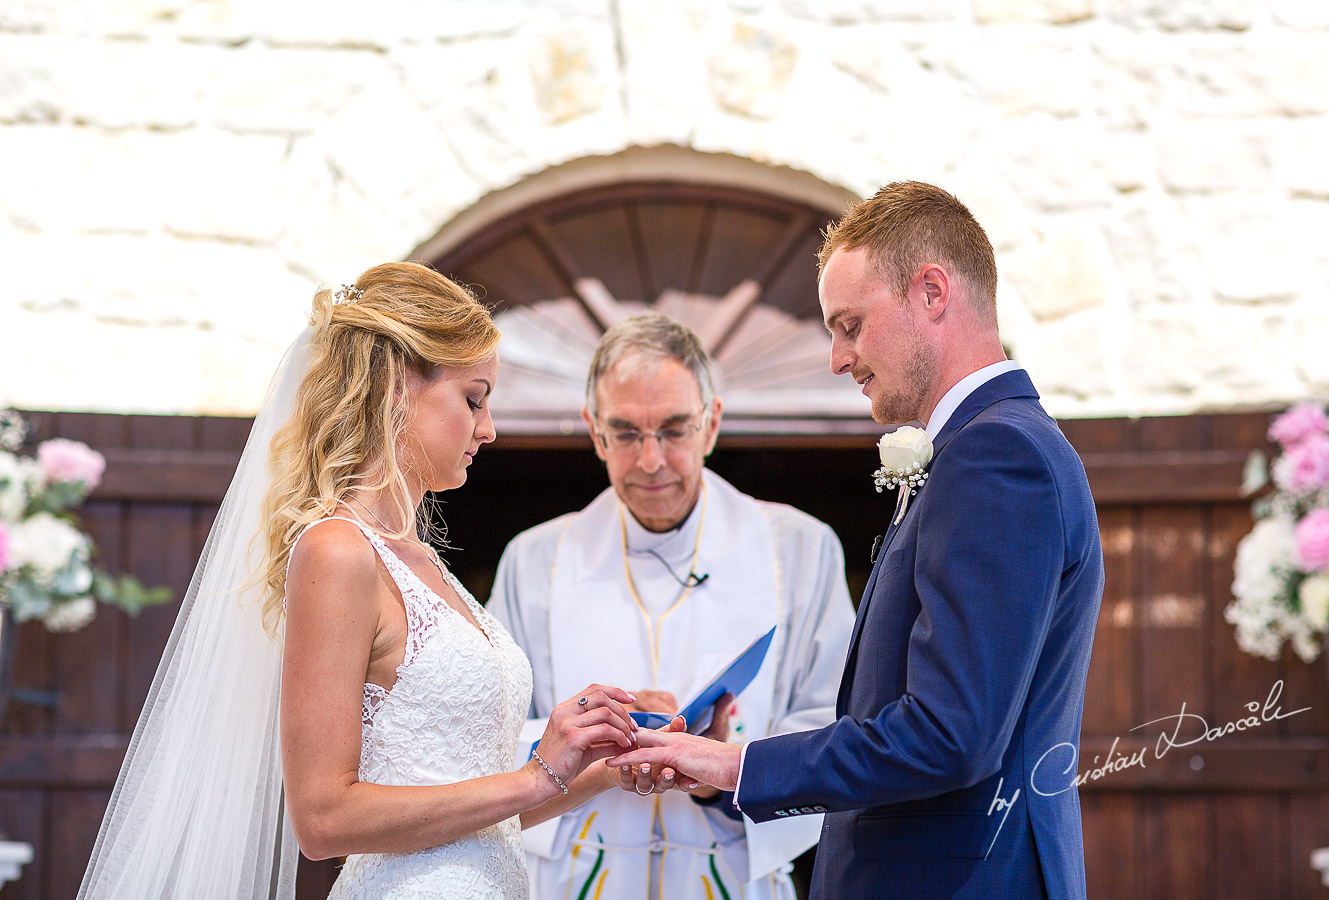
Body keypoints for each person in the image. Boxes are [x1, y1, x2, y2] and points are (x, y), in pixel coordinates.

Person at [79, 262, 644, 899]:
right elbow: (322, 818)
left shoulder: (423, 563)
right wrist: (538, 775)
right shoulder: (335, 552)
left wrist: (597, 766)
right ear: (399, 386)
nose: (487, 429)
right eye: (474, 398)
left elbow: (481, 821)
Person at [608, 183, 1106, 900]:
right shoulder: (992, 446)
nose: (838, 358)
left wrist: (737, 767)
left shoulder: (997, 457)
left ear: (932, 293)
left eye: (850, 325)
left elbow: (949, 735)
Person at [491, 313, 856, 899]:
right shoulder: (534, 560)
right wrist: (590, 740)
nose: (652, 460)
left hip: (729, 872)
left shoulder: (799, 549)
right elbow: (489, 737)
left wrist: (720, 772)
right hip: (577, 876)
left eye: (674, 430)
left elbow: (832, 726)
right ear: (594, 431)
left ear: (711, 424)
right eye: (627, 433)